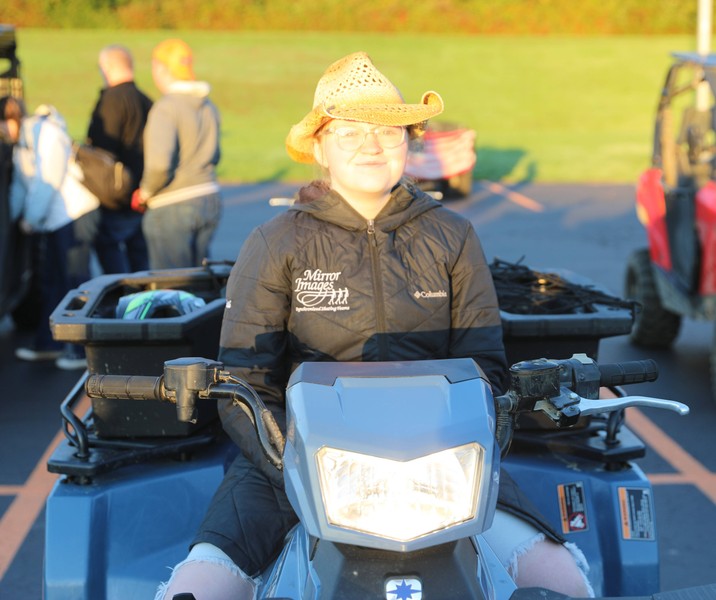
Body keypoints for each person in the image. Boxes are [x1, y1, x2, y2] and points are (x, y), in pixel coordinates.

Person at [154, 52, 594, 599]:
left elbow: (487, 370)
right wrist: (292, 462)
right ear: (319, 146)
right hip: (292, 462)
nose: (371, 145)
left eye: (387, 131)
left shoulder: (453, 235)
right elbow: (244, 382)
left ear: (409, 142)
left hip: (444, 465)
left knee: (565, 584)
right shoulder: (275, 242)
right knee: (198, 589)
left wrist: (465, 456)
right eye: (350, 132)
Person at [3, 99, 98, 370]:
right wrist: (12, 220)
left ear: (12, 118)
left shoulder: (46, 134)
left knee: (76, 281)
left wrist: (30, 219)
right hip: (54, 221)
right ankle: (51, 343)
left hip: (75, 215)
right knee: (54, 281)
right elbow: (22, 186)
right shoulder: (23, 143)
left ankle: (83, 350)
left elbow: (48, 181)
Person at [132, 38, 221, 270]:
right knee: (200, 281)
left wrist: (146, 192)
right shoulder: (208, 105)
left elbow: (160, 165)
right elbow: (216, 154)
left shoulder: (166, 107)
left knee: (172, 286)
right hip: (209, 198)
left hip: (173, 204)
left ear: (161, 68)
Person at [86, 44, 153, 274]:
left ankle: (121, 299)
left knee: (109, 247)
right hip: (142, 193)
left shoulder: (111, 101)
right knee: (140, 258)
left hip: (116, 194)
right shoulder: (147, 100)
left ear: (106, 68)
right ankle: (142, 302)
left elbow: (102, 151)